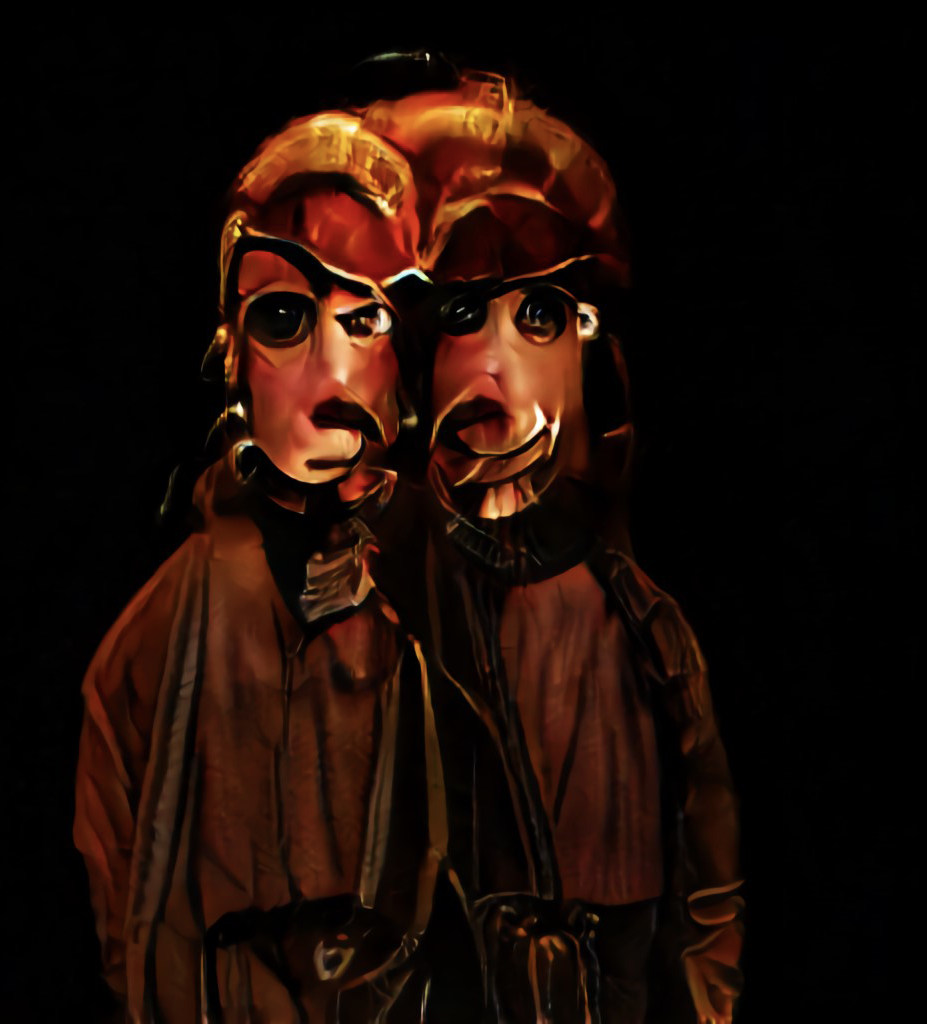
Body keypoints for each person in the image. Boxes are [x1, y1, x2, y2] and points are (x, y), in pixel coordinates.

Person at [359, 68, 744, 1024]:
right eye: (462, 317)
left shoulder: (640, 620)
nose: (494, 371)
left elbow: (709, 881)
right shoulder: (392, 583)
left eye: (537, 317)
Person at [73, 111, 449, 1023]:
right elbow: (118, 867)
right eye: (284, 318)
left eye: (364, 320)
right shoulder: (169, 622)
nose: (331, 372)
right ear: (233, 354)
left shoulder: (433, 591)